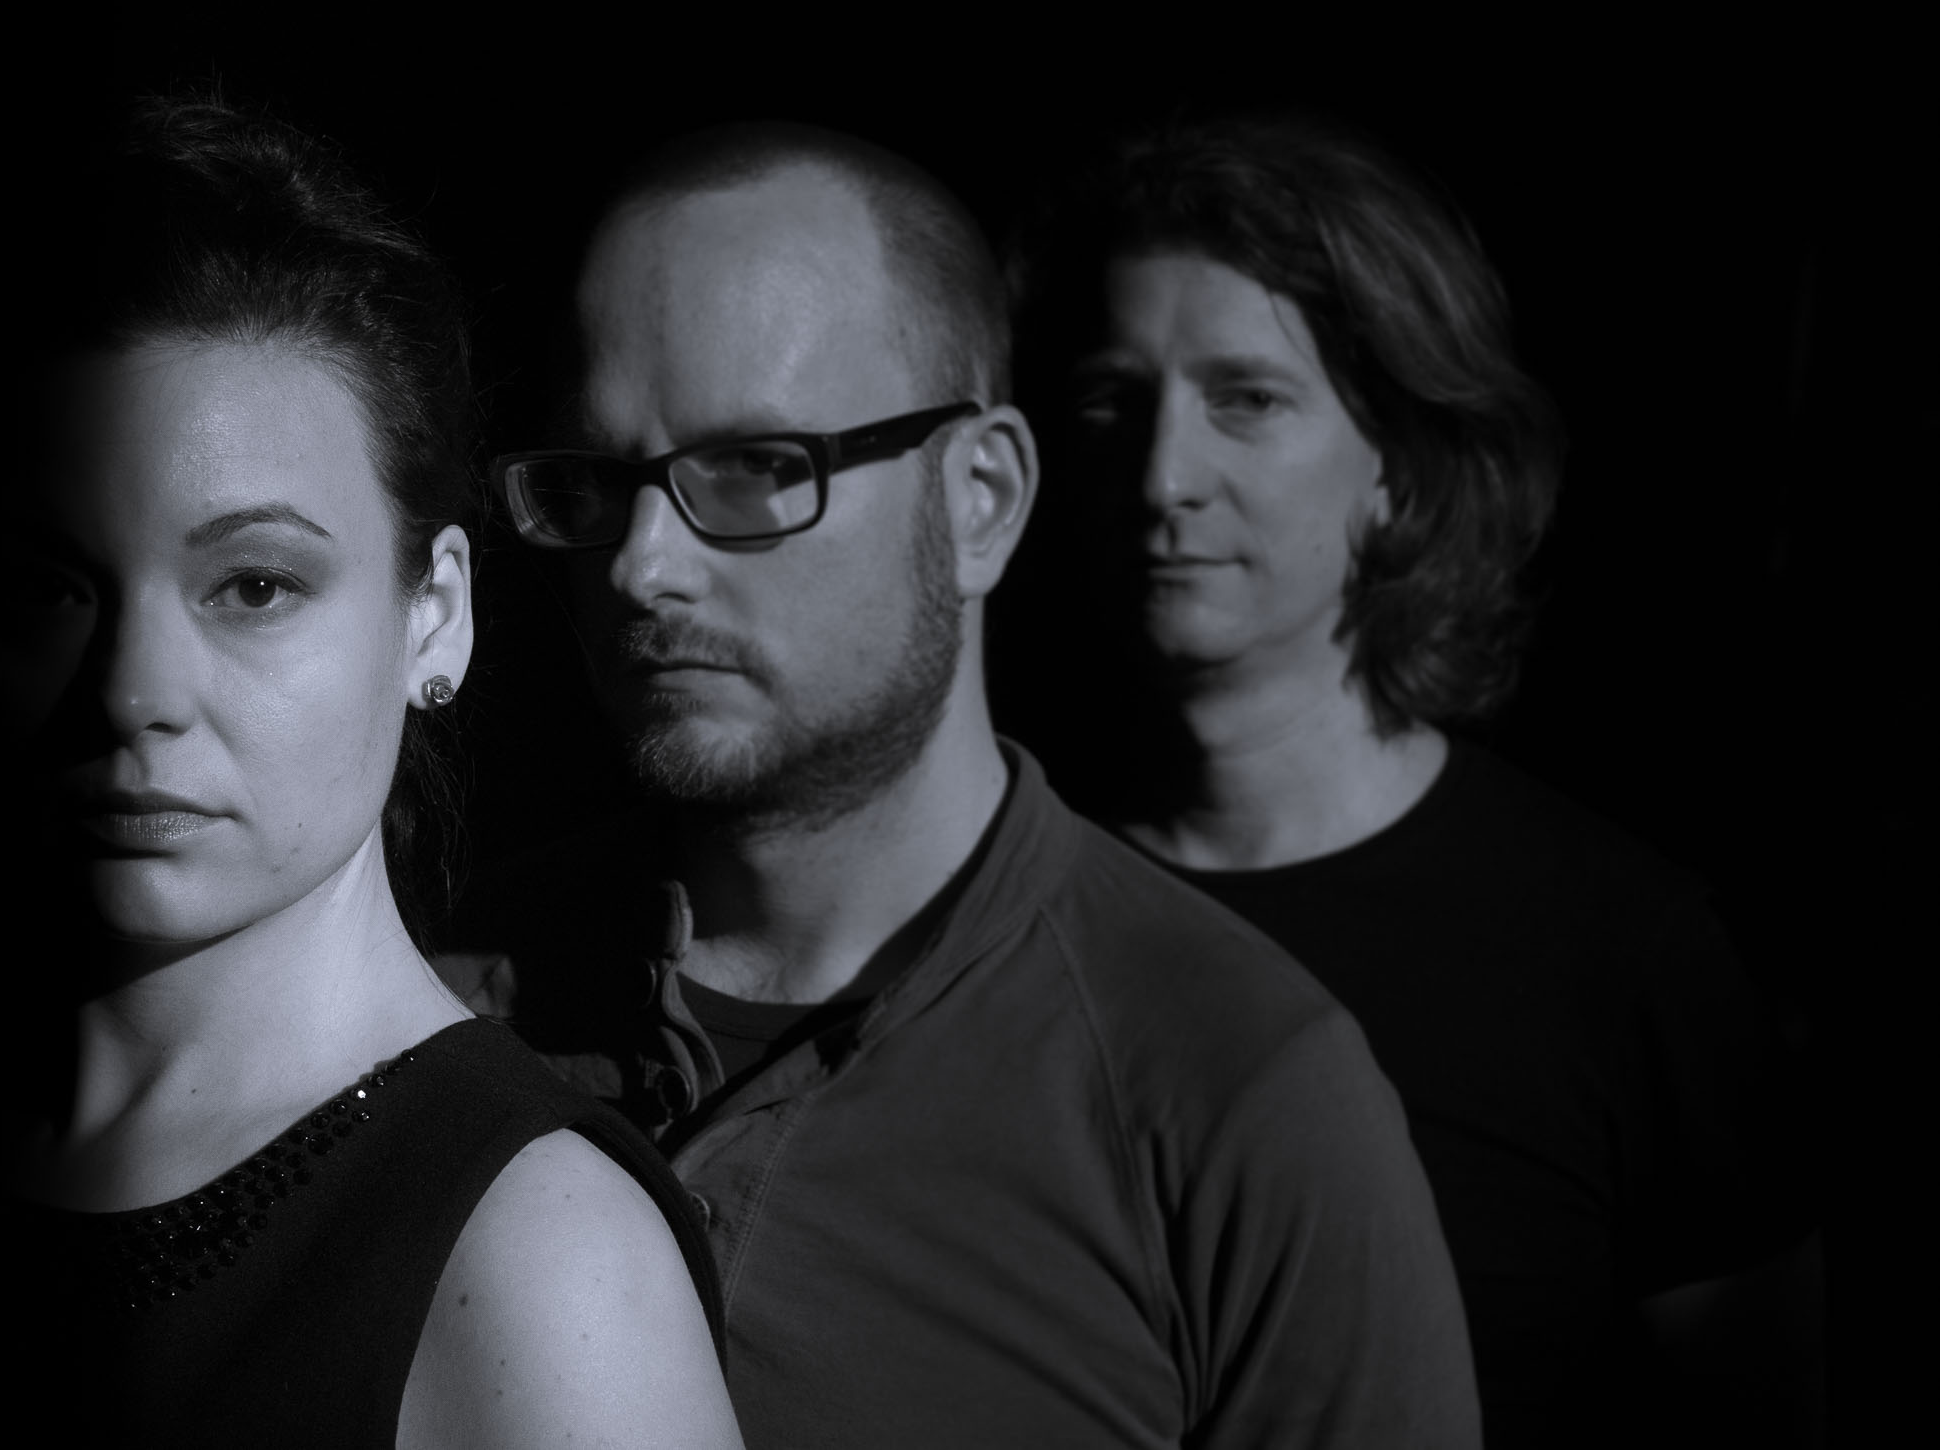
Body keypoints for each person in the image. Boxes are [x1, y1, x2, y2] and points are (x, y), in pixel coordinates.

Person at [440, 122, 1480, 1448]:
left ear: (979, 498)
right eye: (596, 482)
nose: (643, 565)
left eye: (754, 469)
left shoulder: (1233, 1086)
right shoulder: (425, 997)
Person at [1004, 113, 1822, 1448]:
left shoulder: (1619, 952)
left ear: (1397, 464)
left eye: (1245, 399)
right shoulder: (989, 901)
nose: (1162, 475)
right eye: (1113, 399)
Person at [0, 98, 744, 1450]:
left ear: (433, 614)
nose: (136, 691)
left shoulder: (545, 1265)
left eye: (254, 586)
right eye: (51, 587)